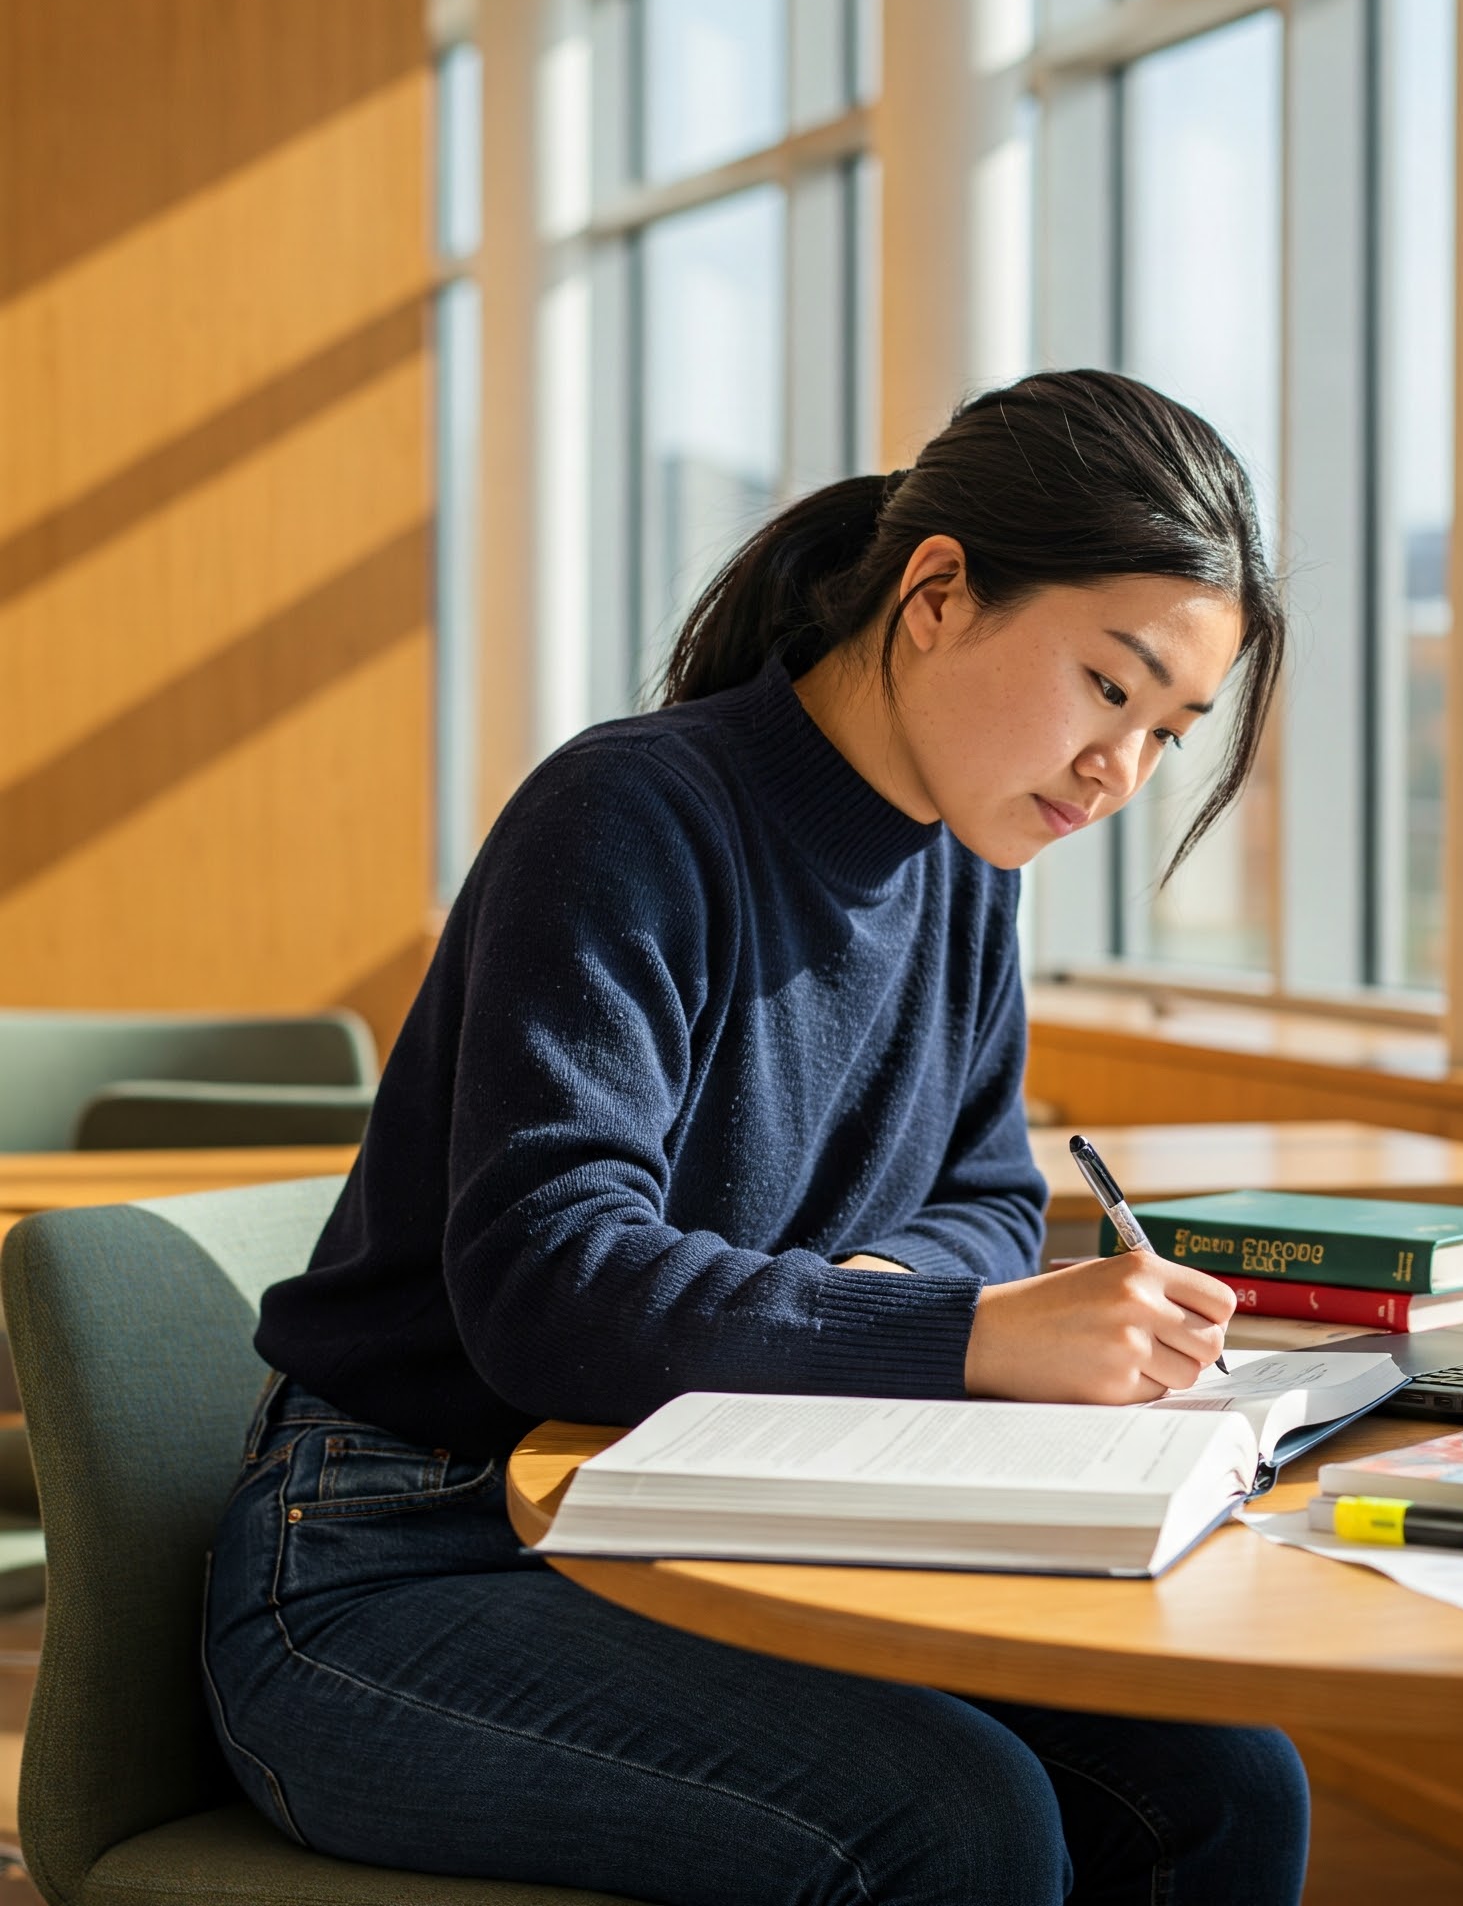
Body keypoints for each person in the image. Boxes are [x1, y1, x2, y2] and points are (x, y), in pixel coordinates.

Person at [202, 369, 1307, 1904]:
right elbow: (549, 1284)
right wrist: (946, 1335)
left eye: (1170, 732)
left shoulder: (966, 868)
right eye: (1109, 689)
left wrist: (885, 1295)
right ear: (936, 594)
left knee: (1225, 1784)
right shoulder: (629, 816)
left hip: (715, 1512)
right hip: (402, 1550)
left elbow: (987, 1195)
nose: (1120, 773)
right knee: (957, 1821)